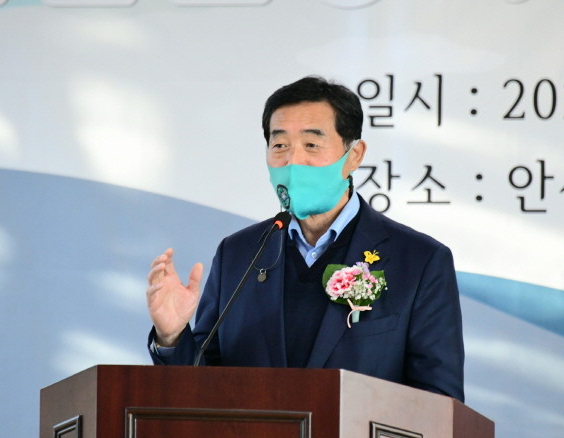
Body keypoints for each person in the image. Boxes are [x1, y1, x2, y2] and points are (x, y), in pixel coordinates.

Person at [146, 76, 465, 402]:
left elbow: (439, 403)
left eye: (311, 145)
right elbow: (201, 389)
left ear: (354, 155)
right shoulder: (238, 254)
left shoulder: (419, 261)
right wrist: (171, 337)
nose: (293, 161)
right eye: (280, 145)